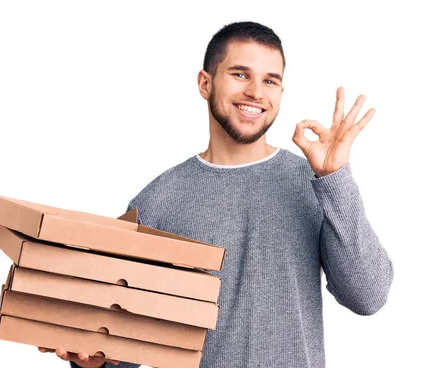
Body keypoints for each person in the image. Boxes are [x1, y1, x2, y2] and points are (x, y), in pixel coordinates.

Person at [41, 20, 394, 368]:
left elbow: (367, 295)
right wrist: (90, 358)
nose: (256, 92)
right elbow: (126, 346)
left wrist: (335, 178)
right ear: (205, 83)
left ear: (280, 94)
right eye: (240, 74)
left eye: (270, 80)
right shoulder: (157, 202)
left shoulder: (313, 183)